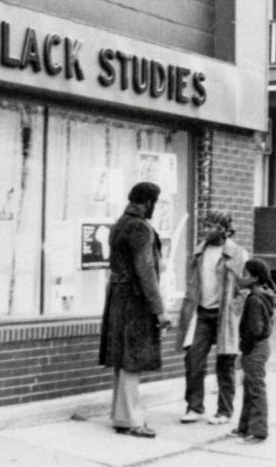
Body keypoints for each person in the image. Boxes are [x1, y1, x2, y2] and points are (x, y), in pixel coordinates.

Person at [99, 182, 171, 439]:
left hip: (118, 297)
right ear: (149, 201)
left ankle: (121, 416)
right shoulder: (140, 227)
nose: (155, 208)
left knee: (122, 358)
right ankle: (131, 419)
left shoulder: (120, 223)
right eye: (155, 202)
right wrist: (159, 310)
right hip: (135, 300)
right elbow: (146, 270)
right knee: (132, 359)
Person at [177, 211, 248, 425]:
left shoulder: (238, 253)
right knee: (193, 360)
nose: (205, 229)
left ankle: (224, 412)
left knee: (225, 364)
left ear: (224, 230)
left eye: (211, 226)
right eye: (205, 225)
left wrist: (234, 310)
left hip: (225, 315)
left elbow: (245, 288)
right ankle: (194, 407)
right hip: (201, 313)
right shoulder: (199, 251)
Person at [232, 258, 276, 444]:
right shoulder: (261, 296)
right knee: (250, 388)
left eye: (245, 274)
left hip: (255, 348)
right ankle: (244, 427)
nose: (241, 277)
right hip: (260, 347)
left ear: (255, 278)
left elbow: (254, 329)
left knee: (256, 389)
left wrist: (245, 349)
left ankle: (258, 432)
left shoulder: (254, 300)